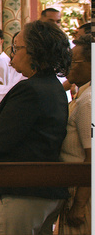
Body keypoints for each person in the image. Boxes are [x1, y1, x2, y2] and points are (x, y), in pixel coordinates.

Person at [0, 20, 72, 234]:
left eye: (17, 49)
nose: (12, 56)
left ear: (35, 51)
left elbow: (0, 140)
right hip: (41, 190)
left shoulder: (30, 90)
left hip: (20, 191)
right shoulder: (53, 86)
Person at [58, 35, 91, 234]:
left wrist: (79, 204)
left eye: (74, 62)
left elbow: (92, 157)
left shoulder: (88, 102)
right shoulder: (83, 95)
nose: (69, 66)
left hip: (82, 193)